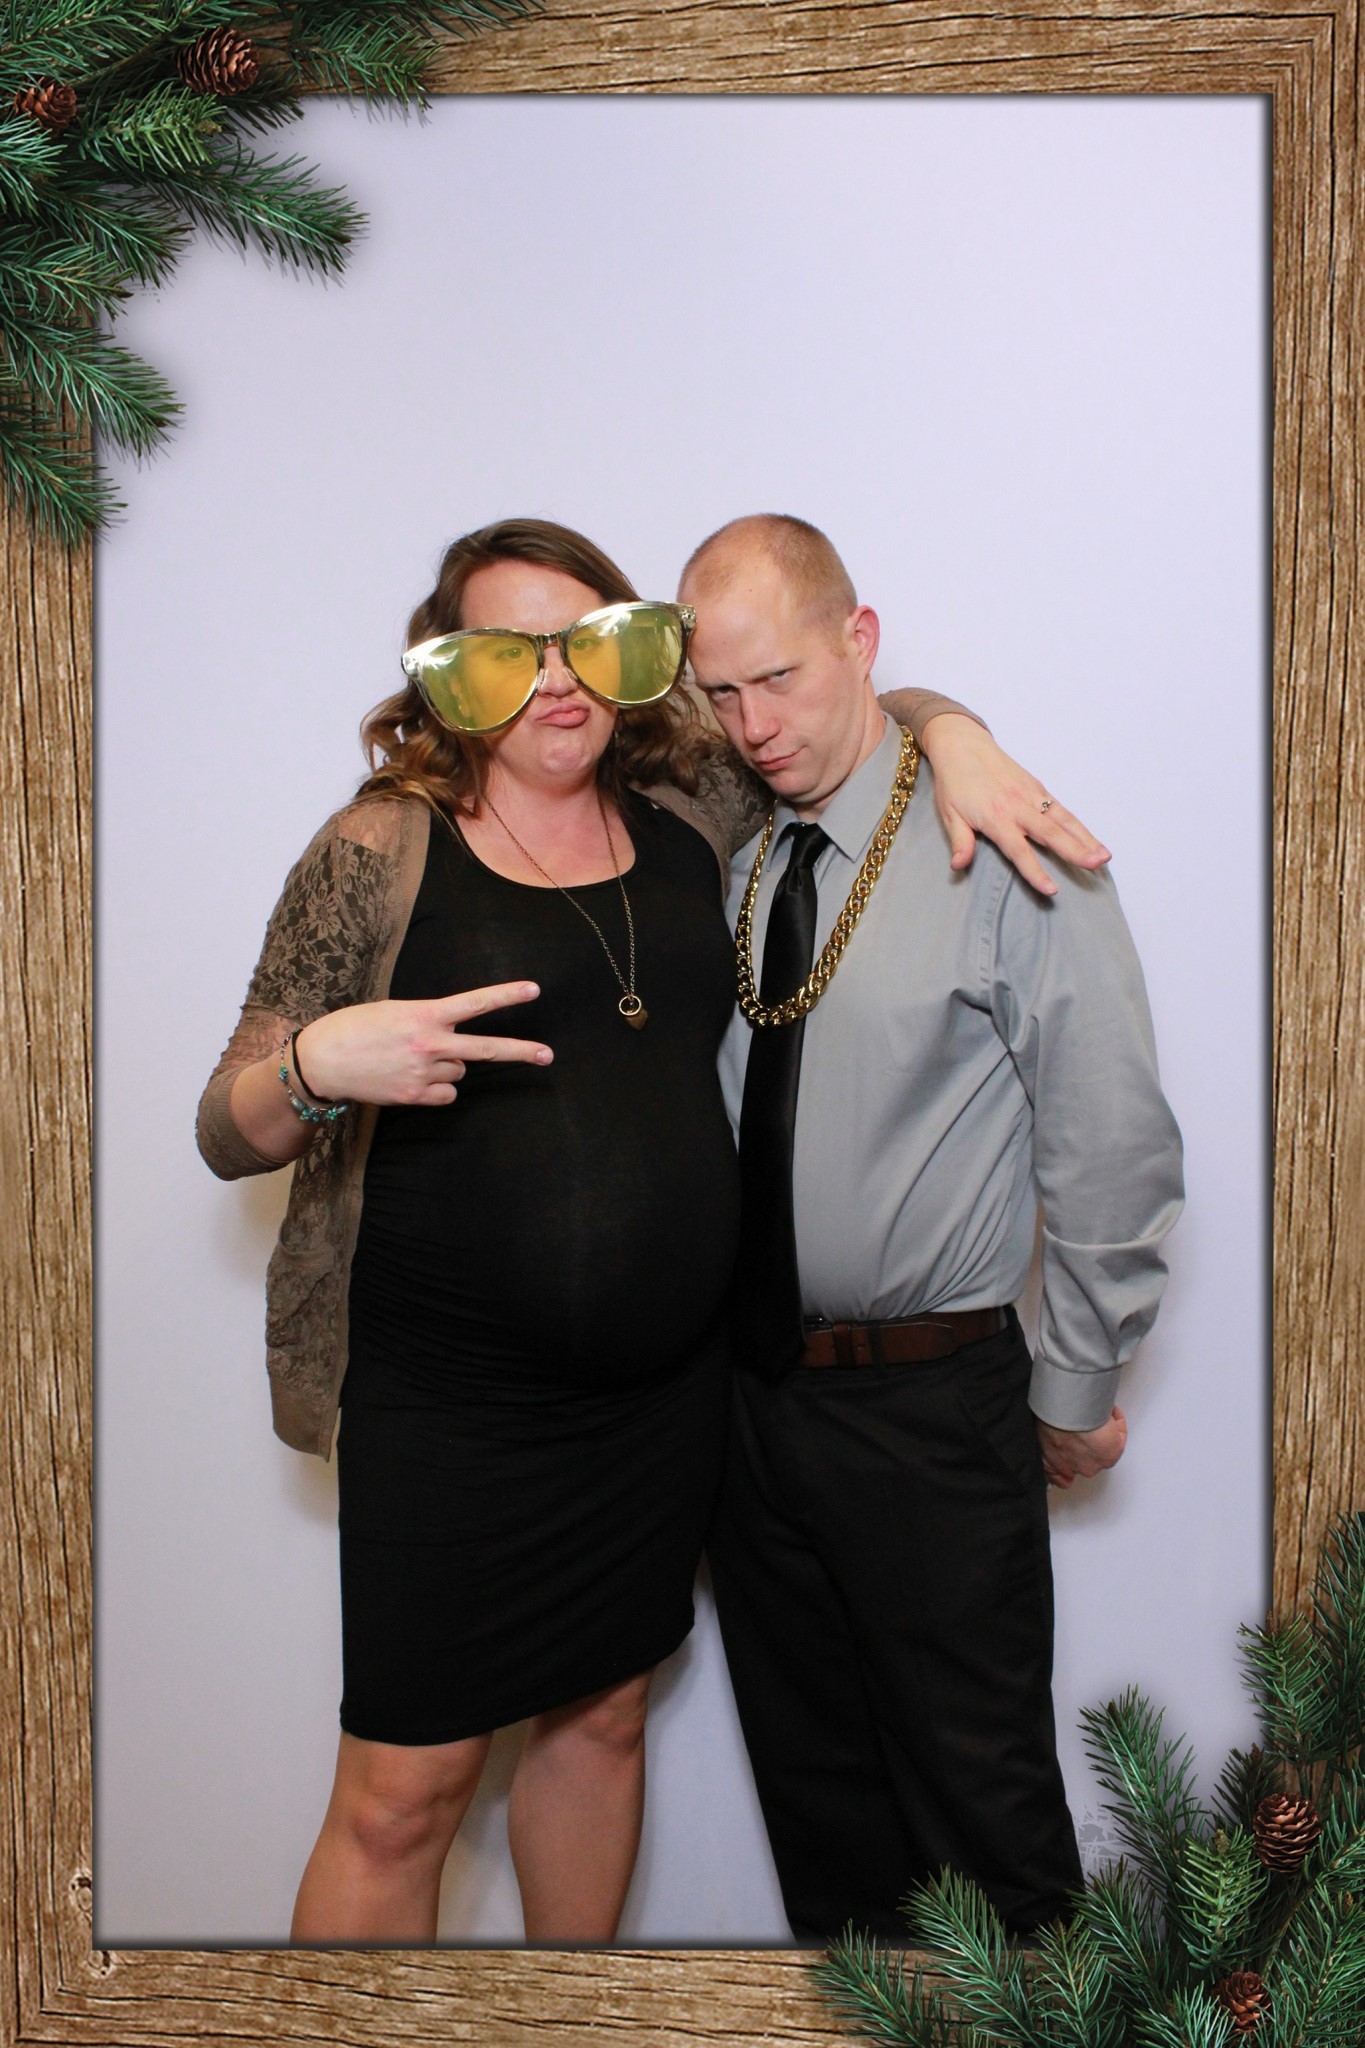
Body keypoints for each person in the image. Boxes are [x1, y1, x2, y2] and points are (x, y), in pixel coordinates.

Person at [196, 516, 1108, 1946]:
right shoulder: (379, 846)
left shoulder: (690, 812)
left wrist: (959, 738)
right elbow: (223, 1127)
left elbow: (845, 714)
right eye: (506, 653)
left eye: (585, 643)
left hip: (661, 1410)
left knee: (602, 1723)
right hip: (452, 1414)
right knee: (400, 1799)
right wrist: (316, 1068)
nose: (554, 680)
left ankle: (569, 2024)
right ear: (448, 676)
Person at [681, 513, 1185, 1944]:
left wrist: (1069, 1392)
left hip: (928, 1414)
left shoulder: (1004, 845)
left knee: (989, 1832)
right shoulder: (740, 864)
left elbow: (1112, 1143)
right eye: (720, 694)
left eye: (778, 679)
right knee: (825, 1834)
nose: (752, 726)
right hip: (750, 1414)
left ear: (860, 640)